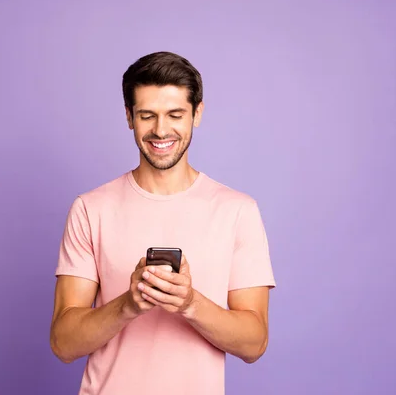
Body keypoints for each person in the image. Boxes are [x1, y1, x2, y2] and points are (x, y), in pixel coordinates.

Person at [50, 51, 276, 395]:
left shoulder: (238, 211)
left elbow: (254, 343)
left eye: (175, 114)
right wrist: (129, 304)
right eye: (146, 115)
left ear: (197, 114)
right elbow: (63, 343)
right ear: (129, 117)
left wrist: (189, 303)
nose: (160, 130)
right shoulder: (90, 209)